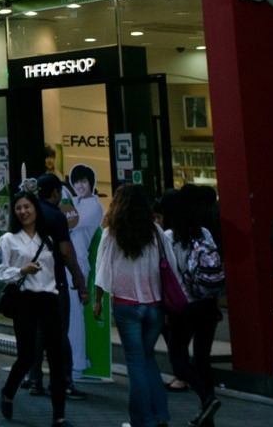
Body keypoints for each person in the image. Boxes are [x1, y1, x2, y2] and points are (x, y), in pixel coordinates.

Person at [91, 183, 168, 427]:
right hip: (154, 306)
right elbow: (172, 267)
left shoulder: (111, 233)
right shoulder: (156, 232)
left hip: (126, 306)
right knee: (147, 358)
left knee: (135, 363)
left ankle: (141, 420)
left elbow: (102, 270)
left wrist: (98, 300)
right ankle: (160, 415)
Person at [0, 190, 71, 426]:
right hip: (25, 300)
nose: (23, 211)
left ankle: (59, 416)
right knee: (27, 356)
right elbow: (0, 272)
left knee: (56, 359)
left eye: (27, 206)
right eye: (18, 208)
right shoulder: (9, 239)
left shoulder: (46, 239)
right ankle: (8, 392)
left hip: (49, 298)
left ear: (36, 209)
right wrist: (22, 270)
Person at [158, 190, 221, 425]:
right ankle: (208, 416)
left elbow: (167, 272)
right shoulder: (203, 232)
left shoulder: (168, 237)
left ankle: (206, 398)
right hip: (208, 303)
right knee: (203, 358)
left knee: (178, 358)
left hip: (183, 306)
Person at [30, 174, 88, 399]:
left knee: (38, 332)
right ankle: (64, 381)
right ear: (55, 193)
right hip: (55, 282)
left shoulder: (29, 213)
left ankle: (35, 380)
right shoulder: (56, 217)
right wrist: (78, 278)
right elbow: (65, 251)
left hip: (32, 282)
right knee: (59, 333)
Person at [65, 165, 103, 389]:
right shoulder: (76, 203)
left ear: (91, 183)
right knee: (68, 314)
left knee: (75, 315)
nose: (80, 185)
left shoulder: (94, 207)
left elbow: (70, 222)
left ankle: (77, 364)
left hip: (78, 263)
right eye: (76, 182)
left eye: (84, 182)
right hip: (67, 261)